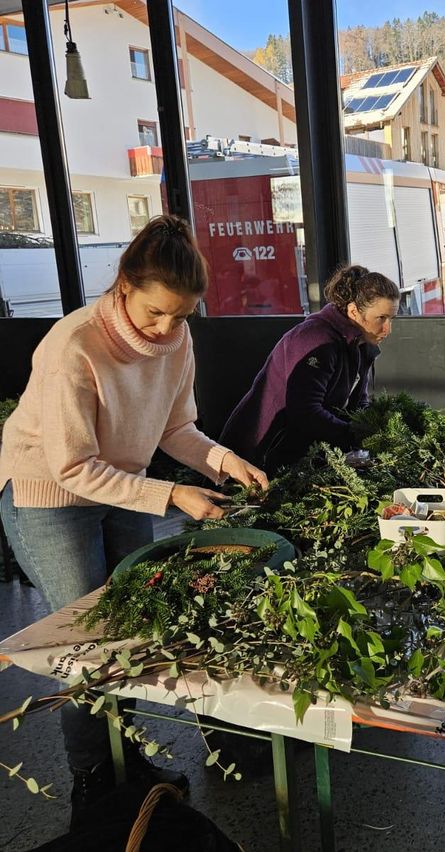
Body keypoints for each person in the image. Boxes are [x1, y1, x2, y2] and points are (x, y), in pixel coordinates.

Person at [0, 215, 268, 825]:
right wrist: (172, 497)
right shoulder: (74, 347)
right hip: (49, 494)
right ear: (123, 287)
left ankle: (130, 761)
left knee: (130, 625)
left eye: (181, 316)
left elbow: (176, 428)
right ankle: (92, 779)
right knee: (88, 644)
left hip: (125, 486)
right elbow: (72, 467)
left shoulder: (175, 340)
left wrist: (225, 460)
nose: (167, 328)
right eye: (155, 313)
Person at [220, 264, 399, 470]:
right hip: (259, 455)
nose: (388, 329)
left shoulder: (361, 345)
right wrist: (355, 436)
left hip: (301, 458)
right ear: (353, 311)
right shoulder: (314, 339)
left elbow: (358, 405)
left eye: (391, 318)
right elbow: (305, 411)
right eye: (381, 318)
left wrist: (378, 432)